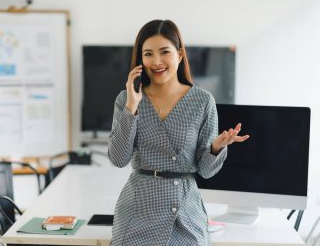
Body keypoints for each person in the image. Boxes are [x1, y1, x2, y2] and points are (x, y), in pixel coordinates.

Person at [107, 19, 249, 246]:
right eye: (148, 54)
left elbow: (205, 170)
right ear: (140, 59)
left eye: (164, 52)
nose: (156, 61)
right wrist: (131, 107)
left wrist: (216, 147)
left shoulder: (202, 101)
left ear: (180, 54)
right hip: (138, 211)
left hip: (186, 214)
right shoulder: (126, 99)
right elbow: (118, 158)